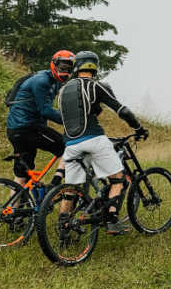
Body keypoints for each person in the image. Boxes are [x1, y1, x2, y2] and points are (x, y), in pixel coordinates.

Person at [57, 51, 147, 235]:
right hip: (94, 139)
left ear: (77, 67)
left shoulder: (63, 90)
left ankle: (64, 229)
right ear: (94, 67)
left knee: (71, 190)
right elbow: (122, 110)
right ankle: (113, 220)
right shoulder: (96, 86)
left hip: (70, 144)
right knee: (118, 179)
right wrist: (139, 128)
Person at [5, 50, 75, 187]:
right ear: (53, 65)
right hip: (28, 128)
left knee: (22, 174)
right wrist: (70, 122)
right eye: (62, 68)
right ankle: (55, 186)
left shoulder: (55, 82)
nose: (65, 72)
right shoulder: (42, 81)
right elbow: (46, 111)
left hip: (15, 129)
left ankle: (11, 208)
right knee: (69, 147)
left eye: (68, 69)